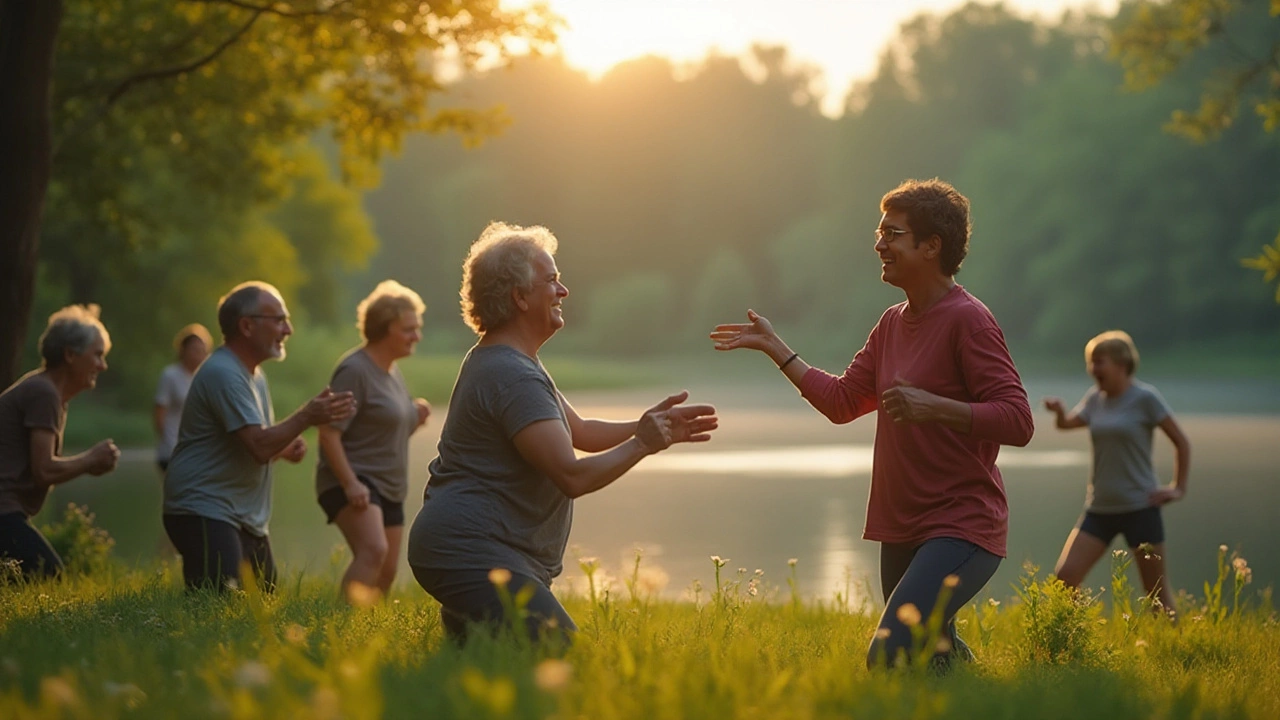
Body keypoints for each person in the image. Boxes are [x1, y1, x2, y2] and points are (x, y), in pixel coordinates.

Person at [710, 179, 1034, 670]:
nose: (879, 243)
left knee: (889, 654)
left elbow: (1018, 420)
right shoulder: (891, 323)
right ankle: (979, 686)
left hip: (961, 524)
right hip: (902, 525)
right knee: (929, 655)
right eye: (879, 231)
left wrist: (934, 406)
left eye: (893, 233)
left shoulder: (969, 321)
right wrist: (777, 349)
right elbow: (842, 402)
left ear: (931, 246)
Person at [407, 222, 719, 644]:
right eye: (551, 280)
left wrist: (650, 426)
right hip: (470, 548)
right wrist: (643, 443)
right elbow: (572, 476)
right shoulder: (510, 372)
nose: (563, 291)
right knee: (563, 654)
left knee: (493, 674)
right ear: (519, 296)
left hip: (485, 550)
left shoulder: (513, 361)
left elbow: (582, 432)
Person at [163, 281, 357, 592]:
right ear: (247, 326)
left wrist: (281, 447)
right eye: (279, 320)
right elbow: (258, 446)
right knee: (218, 606)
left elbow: (254, 443)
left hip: (242, 516)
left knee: (262, 605)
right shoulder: (224, 373)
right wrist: (307, 416)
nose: (288, 329)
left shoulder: (254, 374)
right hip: (204, 508)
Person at [1042, 330, 1190, 618]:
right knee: (1065, 578)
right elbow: (1068, 424)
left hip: (1141, 508)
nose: (1093, 369)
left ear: (1122, 364)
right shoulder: (1096, 399)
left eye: (1100, 362)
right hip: (1099, 509)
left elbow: (1182, 443)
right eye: (1091, 362)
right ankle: (1076, 641)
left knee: (1157, 595)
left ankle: (1180, 648)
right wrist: (1059, 412)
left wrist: (1177, 488)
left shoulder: (1145, 398)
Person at [316, 280, 432, 603]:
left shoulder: (392, 372)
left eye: (418, 328)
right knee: (373, 550)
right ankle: (338, 629)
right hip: (354, 479)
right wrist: (350, 483)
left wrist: (413, 418)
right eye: (409, 329)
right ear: (384, 328)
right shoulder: (355, 370)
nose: (416, 336)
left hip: (388, 484)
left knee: (386, 571)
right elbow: (328, 433)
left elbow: (383, 430)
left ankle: (364, 635)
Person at [0, 305, 120, 578]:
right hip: (3, 512)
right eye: (98, 355)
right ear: (69, 355)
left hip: (8, 512)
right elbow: (44, 471)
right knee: (49, 575)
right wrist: (90, 460)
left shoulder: (47, 393)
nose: (103, 365)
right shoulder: (44, 393)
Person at [154, 324, 213, 473]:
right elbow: (159, 414)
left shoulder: (206, 378)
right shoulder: (170, 375)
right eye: (195, 350)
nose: (199, 355)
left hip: (198, 452)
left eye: (202, 351)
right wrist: (169, 443)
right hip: (172, 450)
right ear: (183, 350)